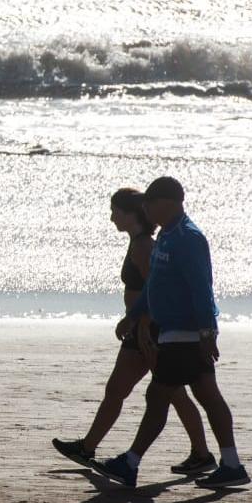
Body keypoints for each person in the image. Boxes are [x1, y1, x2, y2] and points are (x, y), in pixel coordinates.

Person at [92, 177, 251, 489]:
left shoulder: (189, 238)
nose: (146, 210)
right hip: (172, 332)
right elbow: (155, 286)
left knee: (159, 396)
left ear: (167, 203)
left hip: (186, 333)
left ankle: (131, 462)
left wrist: (208, 332)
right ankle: (231, 464)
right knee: (207, 396)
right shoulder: (166, 236)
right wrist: (134, 316)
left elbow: (202, 288)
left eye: (149, 204)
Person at [52, 188, 214, 475]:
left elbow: (154, 291)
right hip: (143, 329)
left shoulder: (143, 246)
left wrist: (140, 328)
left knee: (155, 391)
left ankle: (91, 448)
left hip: (147, 331)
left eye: (116, 211)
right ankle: (201, 454)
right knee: (162, 392)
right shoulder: (139, 243)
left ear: (131, 214)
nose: (111, 217)